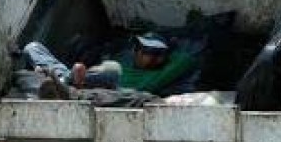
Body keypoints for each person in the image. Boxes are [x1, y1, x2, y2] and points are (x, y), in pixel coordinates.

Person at [22, 31, 203, 100]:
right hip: (84, 78)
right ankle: (62, 80)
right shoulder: (126, 59)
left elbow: (189, 57)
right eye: (141, 49)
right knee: (32, 47)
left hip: (114, 88)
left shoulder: (165, 70)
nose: (144, 54)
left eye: (152, 52)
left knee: (113, 70)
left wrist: (167, 50)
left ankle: (61, 81)